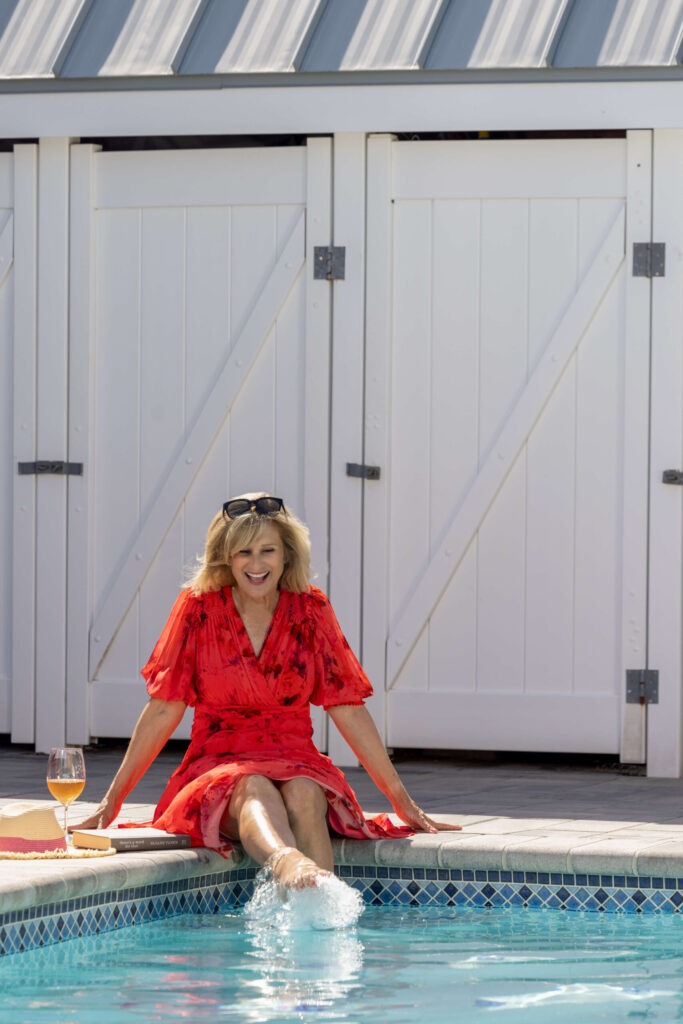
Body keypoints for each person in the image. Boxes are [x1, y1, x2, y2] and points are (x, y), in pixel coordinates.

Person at [76, 494, 460, 889]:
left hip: (296, 759)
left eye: (267, 551)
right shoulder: (198, 608)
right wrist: (112, 801)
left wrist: (401, 800)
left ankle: (323, 919)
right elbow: (162, 710)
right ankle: (288, 863)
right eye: (244, 551)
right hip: (217, 763)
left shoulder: (311, 610)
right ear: (225, 556)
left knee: (307, 794)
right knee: (253, 787)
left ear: (286, 554)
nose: (256, 565)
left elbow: (347, 708)